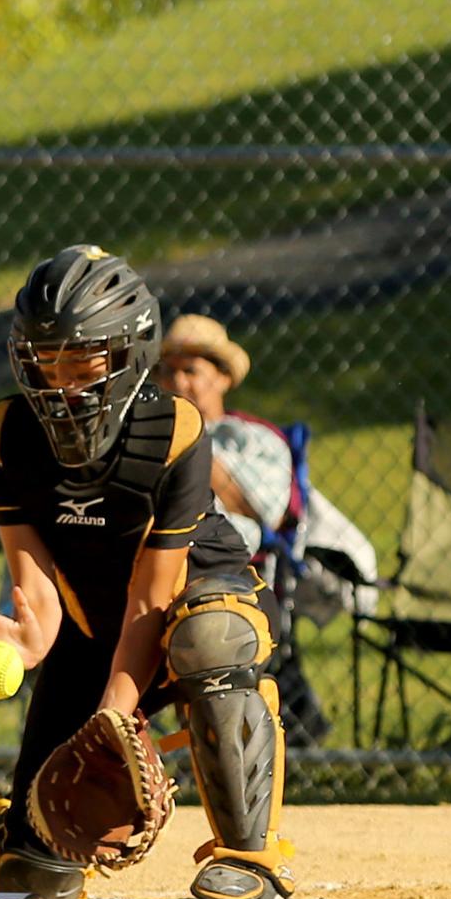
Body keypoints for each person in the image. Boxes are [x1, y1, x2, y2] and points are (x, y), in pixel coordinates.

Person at [0, 246, 295, 899]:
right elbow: (33, 580)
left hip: (192, 591)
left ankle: (248, 862)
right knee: (37, 870)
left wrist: (113, 716)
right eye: (44, 358)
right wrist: (32, 632)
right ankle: (24, 848)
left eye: (83, 358)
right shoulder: (6, 434)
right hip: (94, 617)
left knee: (210, 637)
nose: (61, 379)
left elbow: (153, 599)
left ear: (130, 352)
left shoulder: (172, 430)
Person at [153, 312, 333, 746]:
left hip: (231, 574)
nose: (178, 382)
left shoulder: (254, 440)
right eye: (168, 371)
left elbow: (267, 513)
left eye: (191, 371)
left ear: (223, 379)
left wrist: (192, 450)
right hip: (152, 572)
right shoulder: (145, 438)